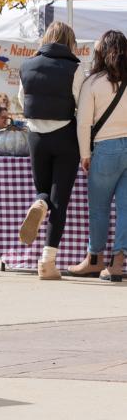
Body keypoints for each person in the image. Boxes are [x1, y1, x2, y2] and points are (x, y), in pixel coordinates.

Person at [17, 21, 85, 280]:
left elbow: (22, 99)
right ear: (70, 42)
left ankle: (39, 202)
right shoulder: (75, 69)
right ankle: (47, 261)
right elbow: (81, 102)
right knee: (60, 200)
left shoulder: (26, 65)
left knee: (43, 191)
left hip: (35, 136)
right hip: (65, 135)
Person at [71, 30, 127, 281]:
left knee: (99, 208)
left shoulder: (93, 82)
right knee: (126, 209)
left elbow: (83, 123)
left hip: (105, 148)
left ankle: (94, 259)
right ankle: (118, 263)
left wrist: (85, 154)